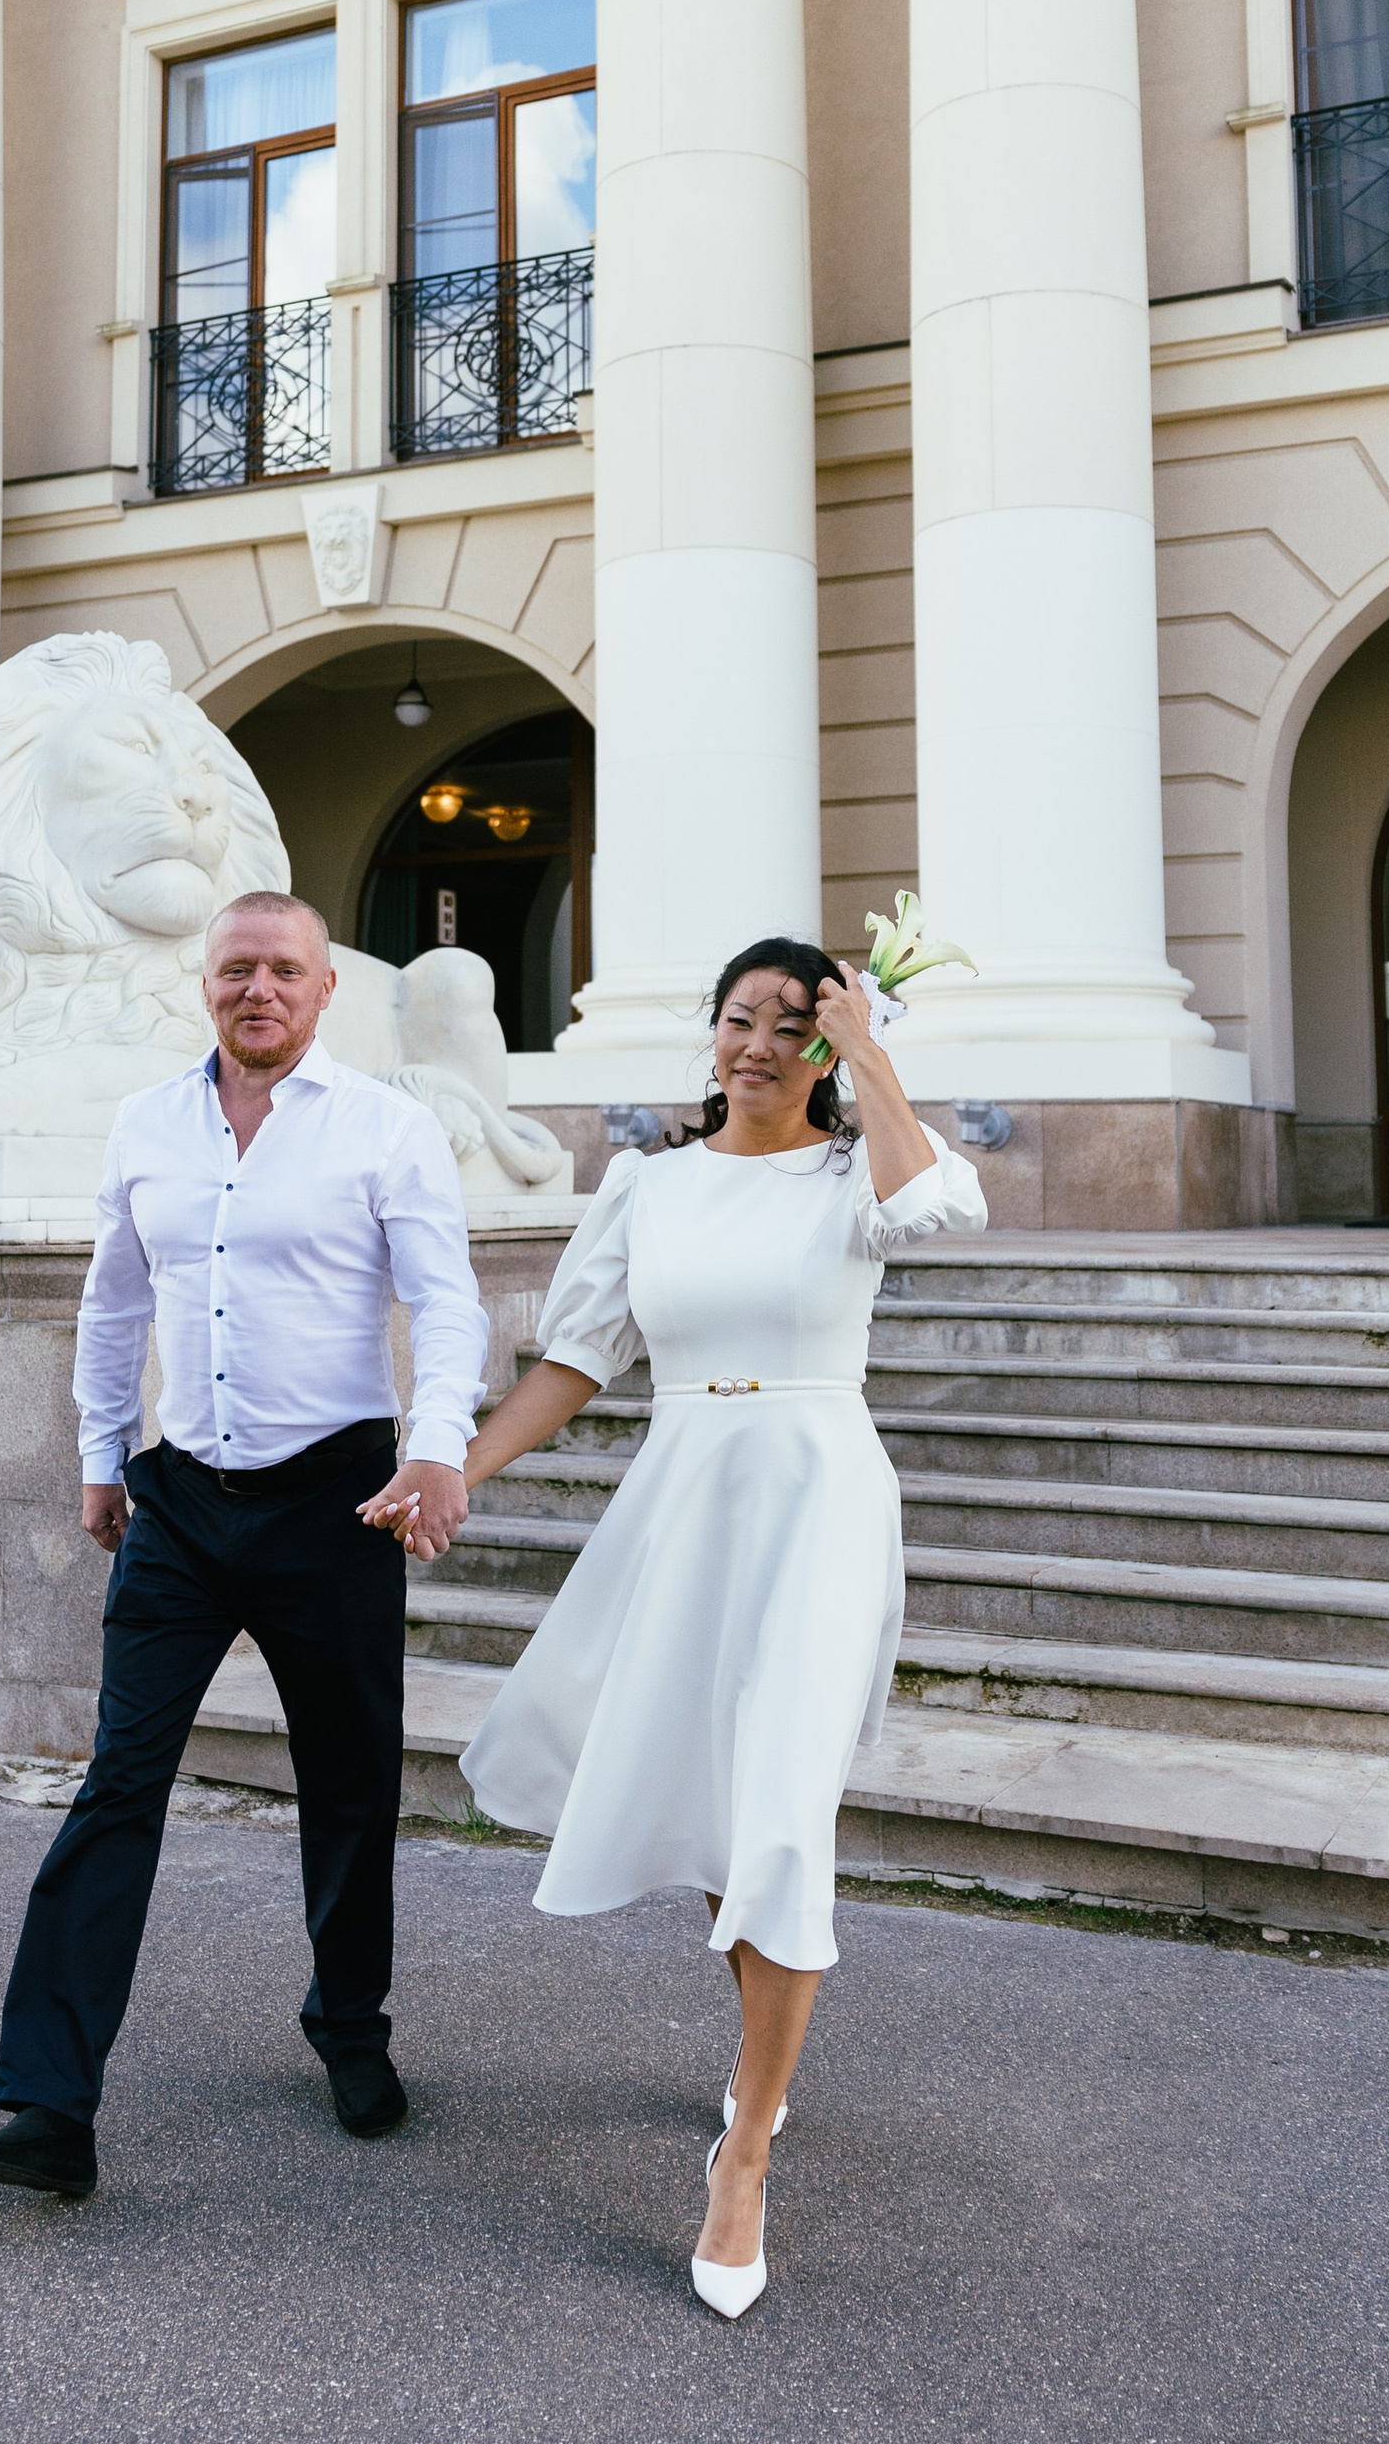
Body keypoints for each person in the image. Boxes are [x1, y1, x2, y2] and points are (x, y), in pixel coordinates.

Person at [367, 938, 985, 2317]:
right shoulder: (648, 1185)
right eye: (740, 1018)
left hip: (819, 1501)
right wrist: (455, 1466)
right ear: (710, 1033)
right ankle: (765, 2055)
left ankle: (745, 2151)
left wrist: (874, 1057)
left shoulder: (859, 1172)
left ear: (829, 1044)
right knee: (720, 1813)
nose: (760, 1044)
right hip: (688, 1499)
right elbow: (579, 1359)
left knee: (781, 1817)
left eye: (794, 1025)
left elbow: (938, 1209)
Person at [0, 890, 490, 2200]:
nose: (261, 990)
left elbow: (445, 1301)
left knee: (349, 1782)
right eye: (238, 968)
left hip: (336, 1499)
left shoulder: (387, 1127)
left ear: (324, 988)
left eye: (285, 970)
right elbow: (114, 1302)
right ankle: (49, 2108)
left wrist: (437, 1447)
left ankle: (349, 2026)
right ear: (206, 984)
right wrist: (101, 1455)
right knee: (117, 1785)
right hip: (181, 1503)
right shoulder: (149, 1124)